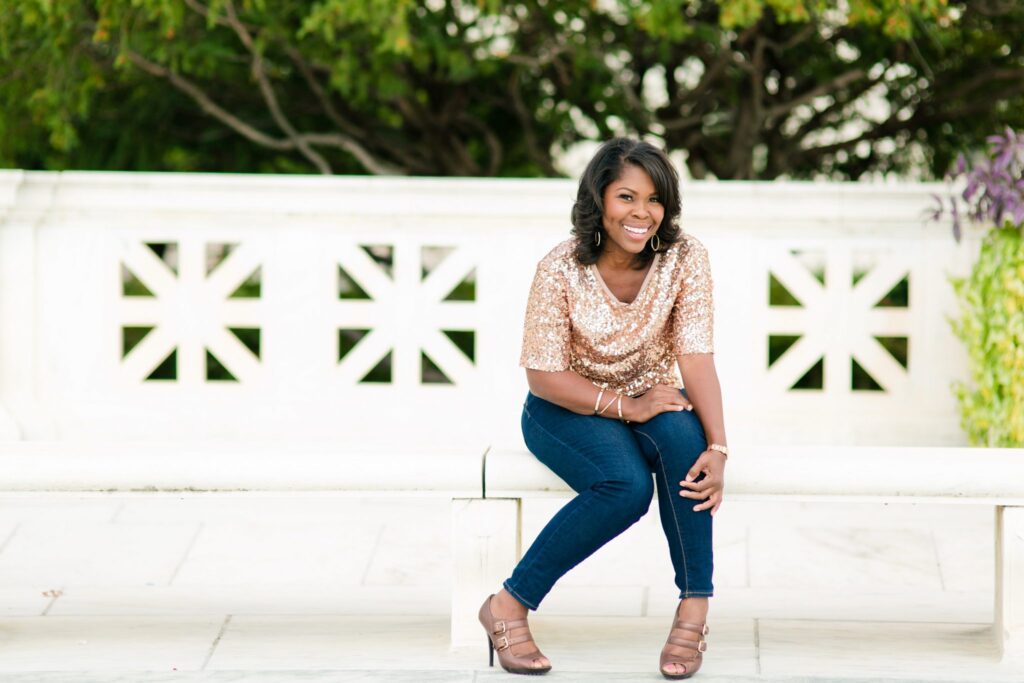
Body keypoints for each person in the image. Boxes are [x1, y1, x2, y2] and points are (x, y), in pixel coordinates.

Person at [478, 138, 728, 679]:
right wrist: (626, 407)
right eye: (626, 197)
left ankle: (695, 605)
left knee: (688, 444)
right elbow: (543, 375)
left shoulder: (685, 257)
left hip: (649, 397)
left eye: (655, 200)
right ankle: (509, 602)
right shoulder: (559, 268)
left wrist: (719, 447)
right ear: (599, 200)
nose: (642, 213)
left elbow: (695, 354)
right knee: (627, 487)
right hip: (563, 407)